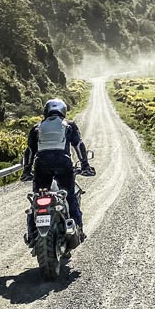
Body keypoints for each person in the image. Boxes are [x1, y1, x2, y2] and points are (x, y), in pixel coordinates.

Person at [22, 98, 95, 239]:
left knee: (37, 198)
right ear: (63, 111)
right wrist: (85, 165)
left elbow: (30, 151)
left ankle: (31, 233)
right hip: (63, 162)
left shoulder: (37, 128)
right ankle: (78, 230)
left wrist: (26, 170)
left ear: (46, 111)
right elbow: (79, 145)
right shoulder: (69, 125)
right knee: (70, 197)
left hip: (41, 165)